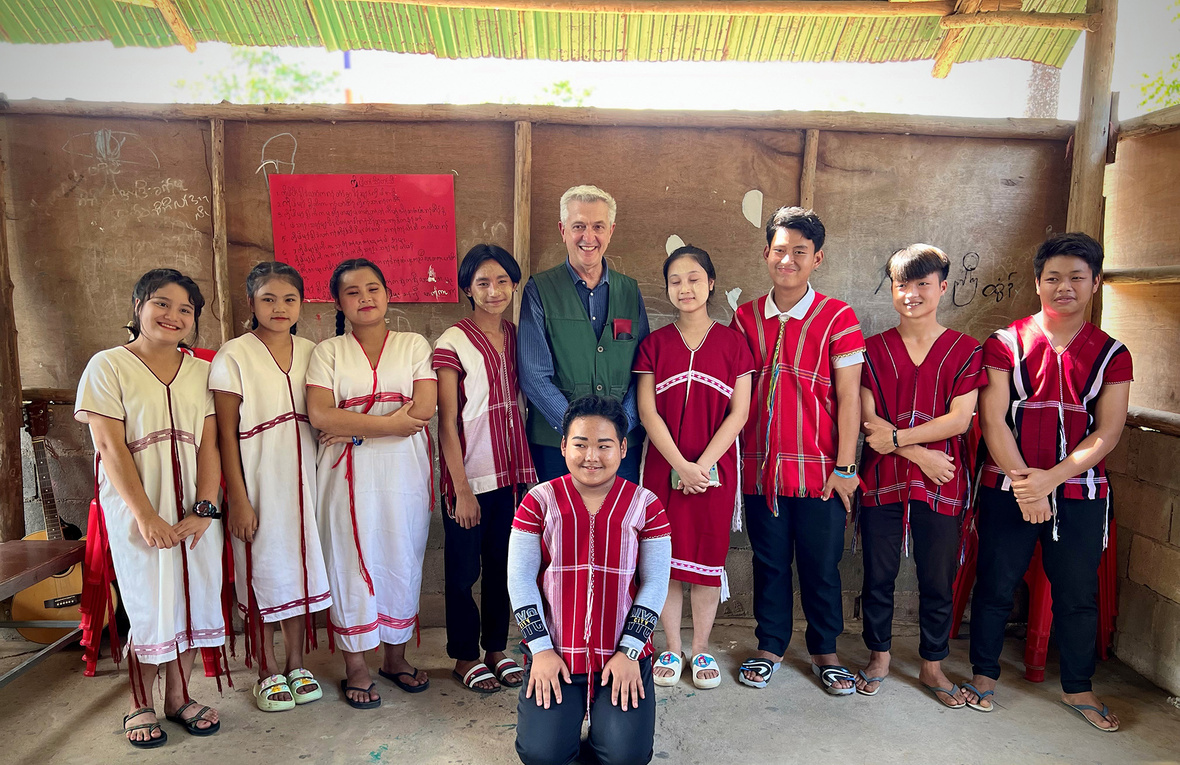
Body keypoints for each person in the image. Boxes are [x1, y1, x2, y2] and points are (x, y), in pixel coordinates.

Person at [967, 233, 1131, 732]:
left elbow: (1108, 432)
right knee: (996, 584)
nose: (1064, 287)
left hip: (1080, 492)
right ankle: (983, 674)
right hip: (1007, 486)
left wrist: (1050, 483)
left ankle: (1078, 687)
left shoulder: (1112, 353)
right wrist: (1026, 485)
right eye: (1053, 277)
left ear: (1095, 283)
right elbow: (992, 420)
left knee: (1077, 593)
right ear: (1037, 282)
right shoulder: (1004, 343)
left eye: (1077, 278)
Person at [75, 268, 226, 748]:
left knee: (191, 597)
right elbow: (109, 446)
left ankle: (179, 698)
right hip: (138, 506)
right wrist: (145, 515)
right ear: (138, 306)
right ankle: (138, 703)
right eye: (161, 303)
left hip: (194, 510)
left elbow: (210, 444)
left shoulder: (203, 371)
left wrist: (206, 508)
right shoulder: (108, 365)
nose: (173, 315)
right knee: (148, 602)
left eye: (186, 309)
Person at [731, 207, 865, 694]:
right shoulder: (744, 317)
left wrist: (846, 467)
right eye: (780, 250)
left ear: (817, 259)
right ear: (766, 253)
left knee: (821, 566)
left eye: (800, 252)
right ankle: (770, 646)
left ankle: (825, 650)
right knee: (768, 564)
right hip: (761, 471)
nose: (787, 260)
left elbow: (849, 397)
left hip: (821, 474)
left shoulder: (838, 317)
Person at [854, 244, 987, 706]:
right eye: (902, 284)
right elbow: (868, 420)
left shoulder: (966, 350)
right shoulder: (872, 350)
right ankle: (879, 656)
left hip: (942, 479)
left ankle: (932, 663)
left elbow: (959, 420)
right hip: (885, 477)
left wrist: (899, 441)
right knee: (878, 574)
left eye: (922, 284)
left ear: (942, 287)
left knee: (937, 576)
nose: (911, 293)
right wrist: (918, 455)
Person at [508, 395, 671, 765]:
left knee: (625, 757)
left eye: (604, 445)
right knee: (542, 755)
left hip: (621, 655)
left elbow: (655, 582)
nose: (591, 456)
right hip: (557, 654)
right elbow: (520, 578)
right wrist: (541, 650)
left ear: (623, 448)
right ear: (564, 446)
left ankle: (607, 730)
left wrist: (630, 652)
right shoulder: (538, 501)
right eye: (580, 444)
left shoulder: (646, 505)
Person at [306, 258, 437, 709]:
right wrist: (391, 424)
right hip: (344, 479)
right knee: (349, 563)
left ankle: (395, 659)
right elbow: (320, 414)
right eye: (352, 292)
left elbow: (423, 410)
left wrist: (354, 430)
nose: (365, 298)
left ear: (388, 294)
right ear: (338, 303)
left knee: (401, 555)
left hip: (404, 474)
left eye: (373, 288)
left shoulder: (413, 344)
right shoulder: (328, 352)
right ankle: (357, 668)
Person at [210, 261, 333, 712]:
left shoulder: (313, 351)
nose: (279, 308)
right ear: (251, 302)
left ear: (302, 303)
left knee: (298, 572)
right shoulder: (233, 355)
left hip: (308, 481)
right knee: (261, 573)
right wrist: (238, 500)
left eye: (289, 299)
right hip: (259, 482)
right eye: (268, 299)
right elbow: (225, 435)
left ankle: (296, 664)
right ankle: (265, 668)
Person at [635, 245, 754, 690]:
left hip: (713, 474)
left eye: (693, 279)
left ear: (711, 283)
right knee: (664, 560)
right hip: (662, 467)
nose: (684, 288)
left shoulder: (734, 344)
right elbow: (647, 412)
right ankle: (671, 646)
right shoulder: (653, 345)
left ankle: (701, 648)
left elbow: (739, 413)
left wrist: (699, 467)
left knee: (706, 558)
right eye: (675, 281)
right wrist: (679, 465)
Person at [434, 244, 537, 693]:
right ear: (467, 289)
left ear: (513, 285)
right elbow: (447, 423)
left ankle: (495, 649)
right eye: (482, 283)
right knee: (462, 573)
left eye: (502, 282)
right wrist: (461, 489)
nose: (493, 291)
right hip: (470, 478)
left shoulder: (519, 336)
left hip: (512, 476)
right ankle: (464, 656)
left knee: (502, 566)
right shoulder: (452, 341)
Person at [519, 184, 649, 484]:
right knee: (560, 515)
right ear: (562, 230)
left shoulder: (630, 291)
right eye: (578, 226)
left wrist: (620, 426)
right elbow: (534, 376)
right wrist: (578, 433)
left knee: (618, 515)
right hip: (557, 446)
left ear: (611, 231)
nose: (588, 237)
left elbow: (643, 370)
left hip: (621, 446)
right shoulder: (539, 290)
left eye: (598, 227)